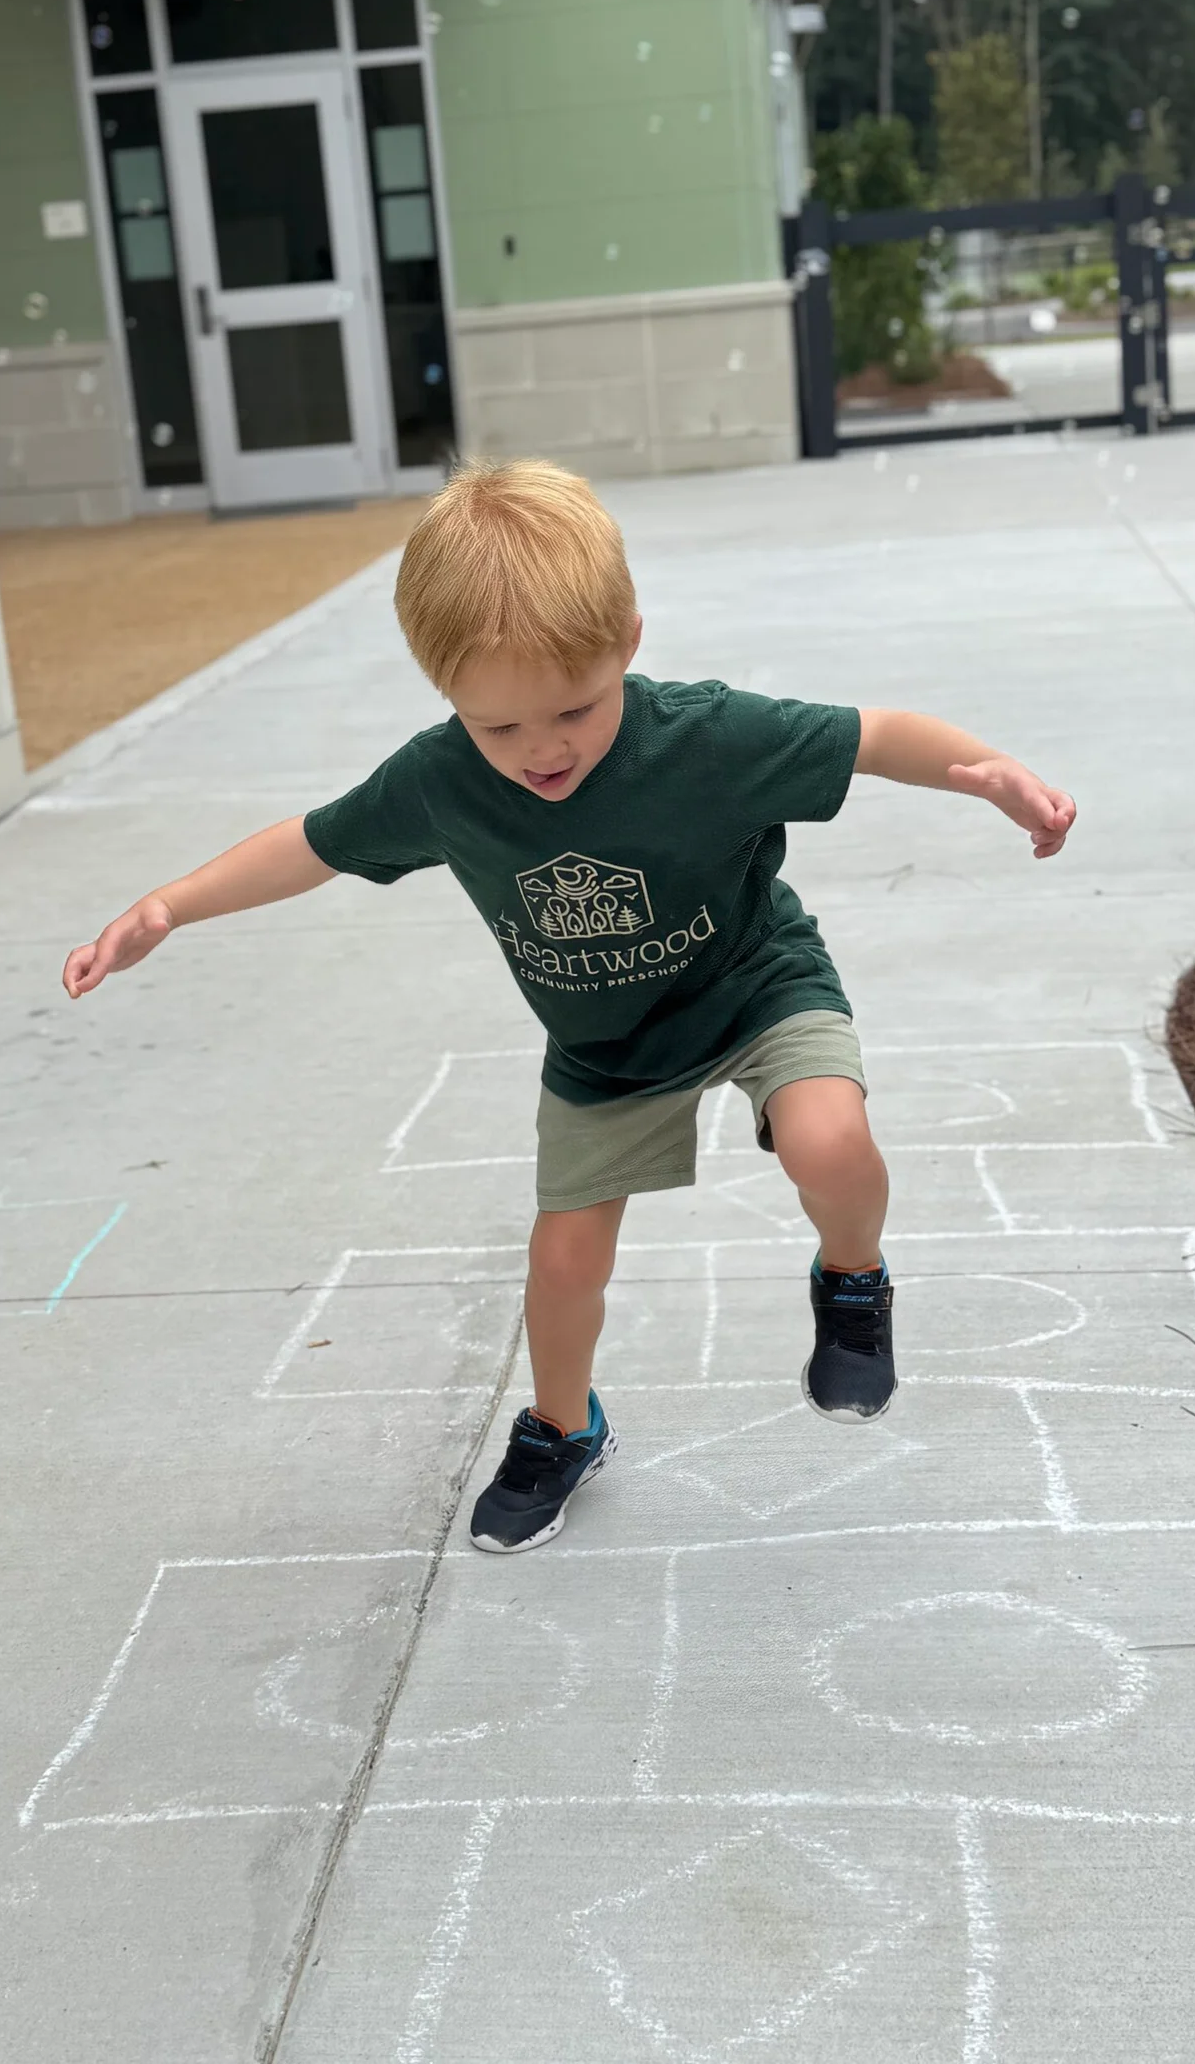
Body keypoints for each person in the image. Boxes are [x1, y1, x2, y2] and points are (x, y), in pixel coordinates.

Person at [63, 459, 1076, 1554]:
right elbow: (309, 847)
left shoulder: (706, 736)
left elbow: (875, 736)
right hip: (605, 1049)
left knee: (829, 1143)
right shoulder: (438, 783)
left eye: (574, 711)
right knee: (559, 1267)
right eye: (499, 729)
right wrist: (169, 904)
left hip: (753, 983)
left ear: (628, 643)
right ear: (446, 695)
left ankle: (852, 1276)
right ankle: (564, 1425)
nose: (543, 750)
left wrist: (990, 772)